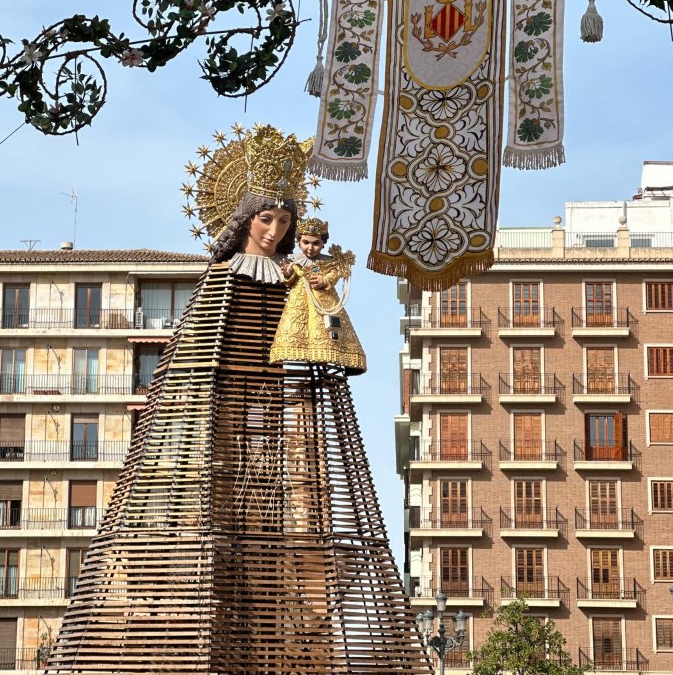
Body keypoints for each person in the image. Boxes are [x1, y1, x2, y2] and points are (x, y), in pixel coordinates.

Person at [45, 124, 428, 675]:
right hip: (225, 390)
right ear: (245, 219)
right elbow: (203, 351)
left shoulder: (296, 277)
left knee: (275, 518)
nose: (275, 231)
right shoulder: (223, 276)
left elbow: (314, 334)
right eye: (266, 219)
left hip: (275, 394)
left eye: (285, 222)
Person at [270, 217, 367, 375]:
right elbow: (290, 279)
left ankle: (335, 355)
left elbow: (334, 274)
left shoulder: (329, 262)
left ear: (323, 243)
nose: (310, 248)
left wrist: (325, 279)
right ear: (299, 242)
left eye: (315, 243)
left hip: (326, 303)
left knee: (330, 329)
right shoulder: (294, 260)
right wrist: (288, 273)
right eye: (306, 242)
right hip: (299, 302)